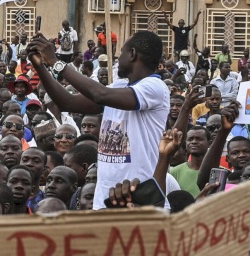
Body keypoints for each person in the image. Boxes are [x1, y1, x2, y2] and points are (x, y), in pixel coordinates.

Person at [29, 31, 169, 209]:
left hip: (137, 200)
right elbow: (68, 102)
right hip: (105, 201)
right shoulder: (119, 86)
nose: (118, 58)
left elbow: (99, 94)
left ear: (132, 54)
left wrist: (56, 62)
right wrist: (41, 66)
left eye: (122, 52)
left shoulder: (154, 87)